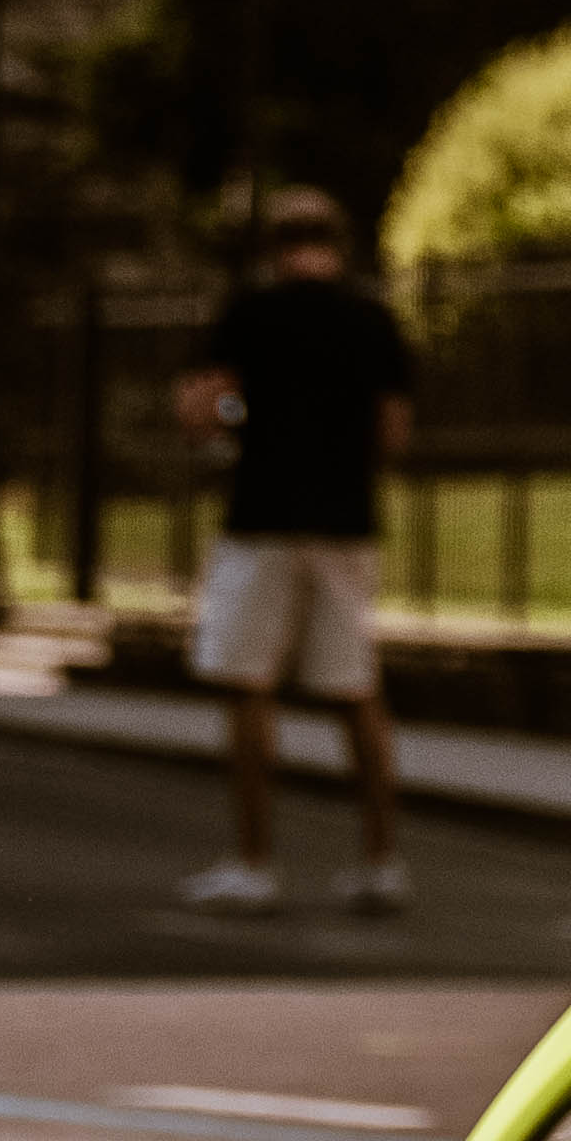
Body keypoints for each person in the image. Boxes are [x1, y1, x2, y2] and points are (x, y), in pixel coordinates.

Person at [176, 191, 419, 916]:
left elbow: (202, 409)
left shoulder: (251, 314)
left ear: (273, 247)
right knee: (355, 689)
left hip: (263, 516)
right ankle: (381, 860)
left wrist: (237, 421)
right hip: (345, 521)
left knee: (249, 684)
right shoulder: (373, 320)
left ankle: (254, 862)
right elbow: (395, 430)